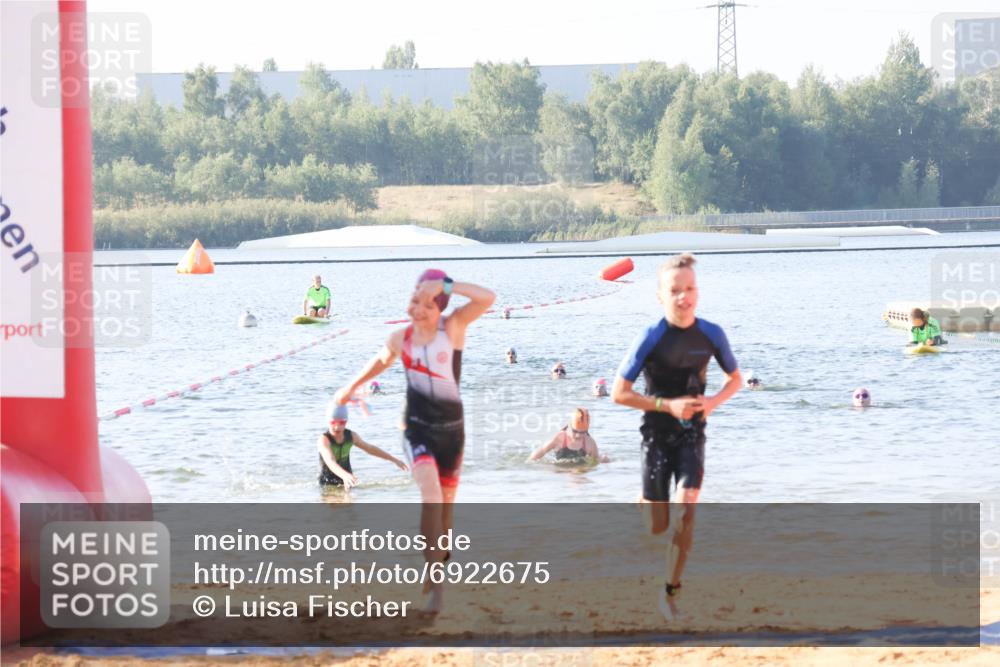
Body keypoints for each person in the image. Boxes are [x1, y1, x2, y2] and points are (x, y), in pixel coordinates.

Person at [333, 269, 495, 613]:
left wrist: (448, 286)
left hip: (452, 432)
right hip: (417, 429)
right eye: (414, 300)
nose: (418, 309)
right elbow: (381, 360)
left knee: (446, 516)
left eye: (427, 303)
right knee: (432, 497)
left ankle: (436, 566)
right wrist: (350, 387)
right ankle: (437, 588)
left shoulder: (452, 328)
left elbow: (486, 298)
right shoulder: (400, 338)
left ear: (440, 307)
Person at [611, 253, 742, 621]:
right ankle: (644, 500)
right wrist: (666, 406)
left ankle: (669, 593)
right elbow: (618, 394)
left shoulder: (711, 334)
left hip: (692, 436)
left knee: (686, 512)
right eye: (675, 290)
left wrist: (713, 402)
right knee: (657, 527)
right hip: (655, 435)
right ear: (660, 296)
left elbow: (736, 380)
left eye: (690, 289)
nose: (684, 297)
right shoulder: (651, 337)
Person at [318, 402, 408, 489]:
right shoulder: (324, 440)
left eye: (341, 422)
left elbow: (370, 449)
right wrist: (345, 475)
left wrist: (394, 459)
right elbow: (330, 462)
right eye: (333, 422)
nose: (337, 427)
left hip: (349, 481)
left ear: (346, 422)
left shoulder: (351, 436)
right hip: (328, 484)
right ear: (327, 421)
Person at [528, 408, 609, 464]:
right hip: (560, 473)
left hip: (579, 471)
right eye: (575, 431)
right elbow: (536, 455)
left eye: (583, 432)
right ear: (570, 426)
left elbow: (596, 461)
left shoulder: (589, 443)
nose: (578, 435)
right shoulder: (559, 438)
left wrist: (604, 460)